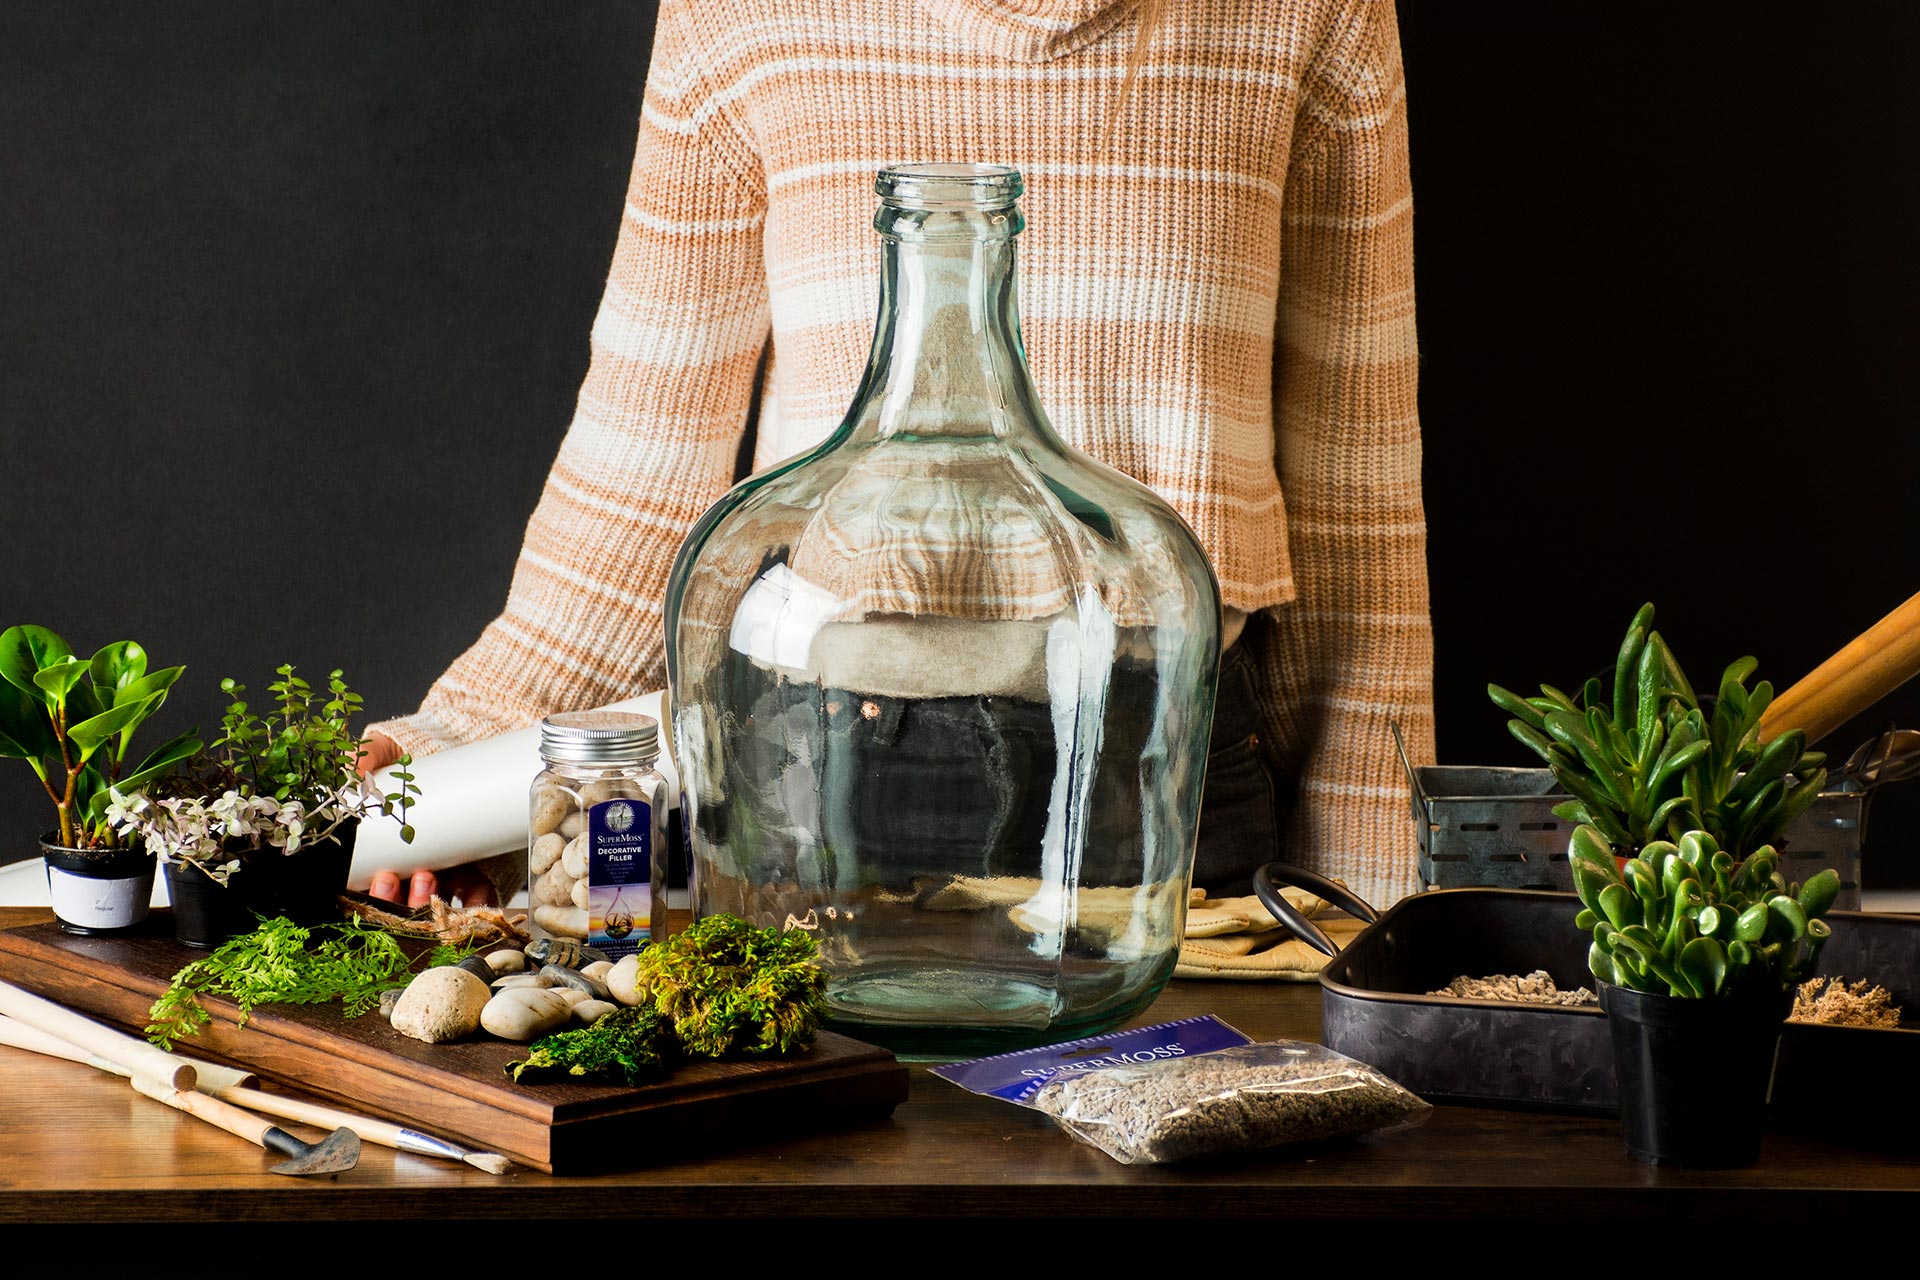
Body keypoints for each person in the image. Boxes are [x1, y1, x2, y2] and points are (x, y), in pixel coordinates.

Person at [360, 0, 1434, 913]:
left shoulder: (1312, 12)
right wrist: (447, 753)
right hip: (825, 788)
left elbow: (1358, 499)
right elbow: (644, 455)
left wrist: (1384, 913)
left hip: (1168, 779)